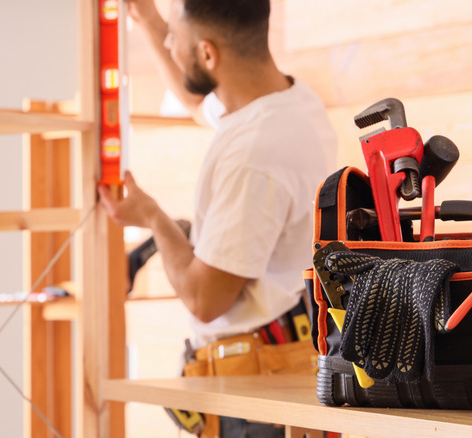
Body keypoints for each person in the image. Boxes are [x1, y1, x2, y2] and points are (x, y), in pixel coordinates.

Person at [98, 0, 338, 436]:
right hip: (280, 369)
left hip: (259, 398)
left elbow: (205, 300)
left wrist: (153, 217)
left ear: (208, 54)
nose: (170, 45)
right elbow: (196, 101)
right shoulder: (291, 101)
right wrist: (151, 21)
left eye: (176, 37)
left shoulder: (254, 157)